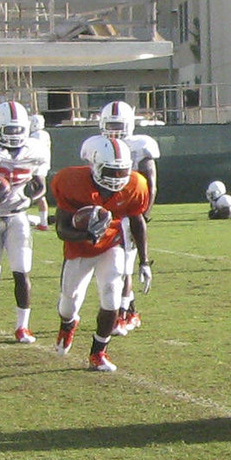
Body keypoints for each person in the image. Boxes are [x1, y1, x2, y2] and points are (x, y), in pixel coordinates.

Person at [51, 136, 153, 372]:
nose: (118, 178)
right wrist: (86, 235)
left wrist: (144, 262)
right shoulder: (71, 182)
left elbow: (137, 221)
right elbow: (61, 229)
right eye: (111, 171)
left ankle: (98, 352)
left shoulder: (135, 184)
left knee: (112, 297)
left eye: (122, 172)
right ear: (95, 166)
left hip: (111, 245)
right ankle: (68, 323)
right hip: (78, 249)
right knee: (69, 303)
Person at [0, 100, 51, 343]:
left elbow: (40, 187)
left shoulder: (36, 150)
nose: (14, 135)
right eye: (9, 129)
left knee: (22, 271)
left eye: (17, 129)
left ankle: (22, 326)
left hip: (18, 217)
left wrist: (28, 196)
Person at [80, 101, 160, 334]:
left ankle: (123, 314)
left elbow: (151, 185)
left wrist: (143, 215)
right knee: (113, 268)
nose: (114, 131)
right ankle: (129, 311)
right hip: (104, 213)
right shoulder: (94, 145)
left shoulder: (140, 146)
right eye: (110, 125)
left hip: (128, 212)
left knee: (122, 268)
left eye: (119, 125)